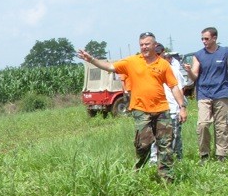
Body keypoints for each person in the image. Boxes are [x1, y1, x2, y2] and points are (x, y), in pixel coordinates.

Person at [77, 32, 188, 182]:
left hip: (162, 110)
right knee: (143, 144)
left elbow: (174, 87)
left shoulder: (163, 64)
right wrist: (92, 60)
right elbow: (110, 67)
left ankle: (166, 178)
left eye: (147, 44)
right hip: (141, 110)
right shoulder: (132, 61)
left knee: (165, 145)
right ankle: (138, 170)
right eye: (141, 44)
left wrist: (182, 107)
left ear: (155, 45)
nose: (144, 47)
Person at [183, 27, 228, 163]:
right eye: (202, 39)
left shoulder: (224, 52)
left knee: (222, 126)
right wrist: (189, 71)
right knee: (203, 124)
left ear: (214, 38)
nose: (204, 41)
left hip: (221, 92)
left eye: (206, 38)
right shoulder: (198, 55)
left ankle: (222, 155)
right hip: (204, 94)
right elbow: (194, 76)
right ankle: (204, 154)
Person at [150, 43, 187, 162]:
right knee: (156, 138)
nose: (156, 55)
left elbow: (181, 89)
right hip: (156, 110)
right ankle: (154, 163)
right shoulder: (148, 70)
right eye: (154, 53)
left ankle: (177, 161)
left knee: (175, 137)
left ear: (163, 53)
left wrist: (182, 108)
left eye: (158, 53)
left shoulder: (173, 70)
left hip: (172, 109)